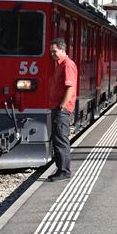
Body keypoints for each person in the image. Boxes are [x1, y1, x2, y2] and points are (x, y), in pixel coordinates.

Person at [48, 38, 78, 182]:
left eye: (54, 51)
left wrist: (63, 105)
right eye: (51, 52)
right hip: (57, 107)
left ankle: (64, 171)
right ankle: (60, 169)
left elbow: (70, 87)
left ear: (62, 49)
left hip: (62, 109)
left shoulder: (67, 64)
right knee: (57, 138)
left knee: (61, 139)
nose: (52, 54)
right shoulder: (60, 64)